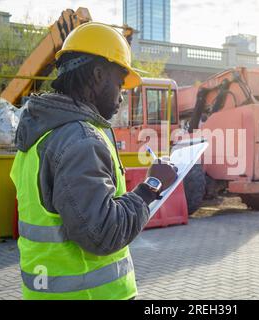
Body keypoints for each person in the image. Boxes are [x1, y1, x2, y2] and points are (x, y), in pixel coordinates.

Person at [10, 22, 177, 300]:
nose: (123, 96)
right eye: (120, 83)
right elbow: (102, 233)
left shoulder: (38, 134)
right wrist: (152, 186)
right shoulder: (80, 140)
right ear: (98, 75)